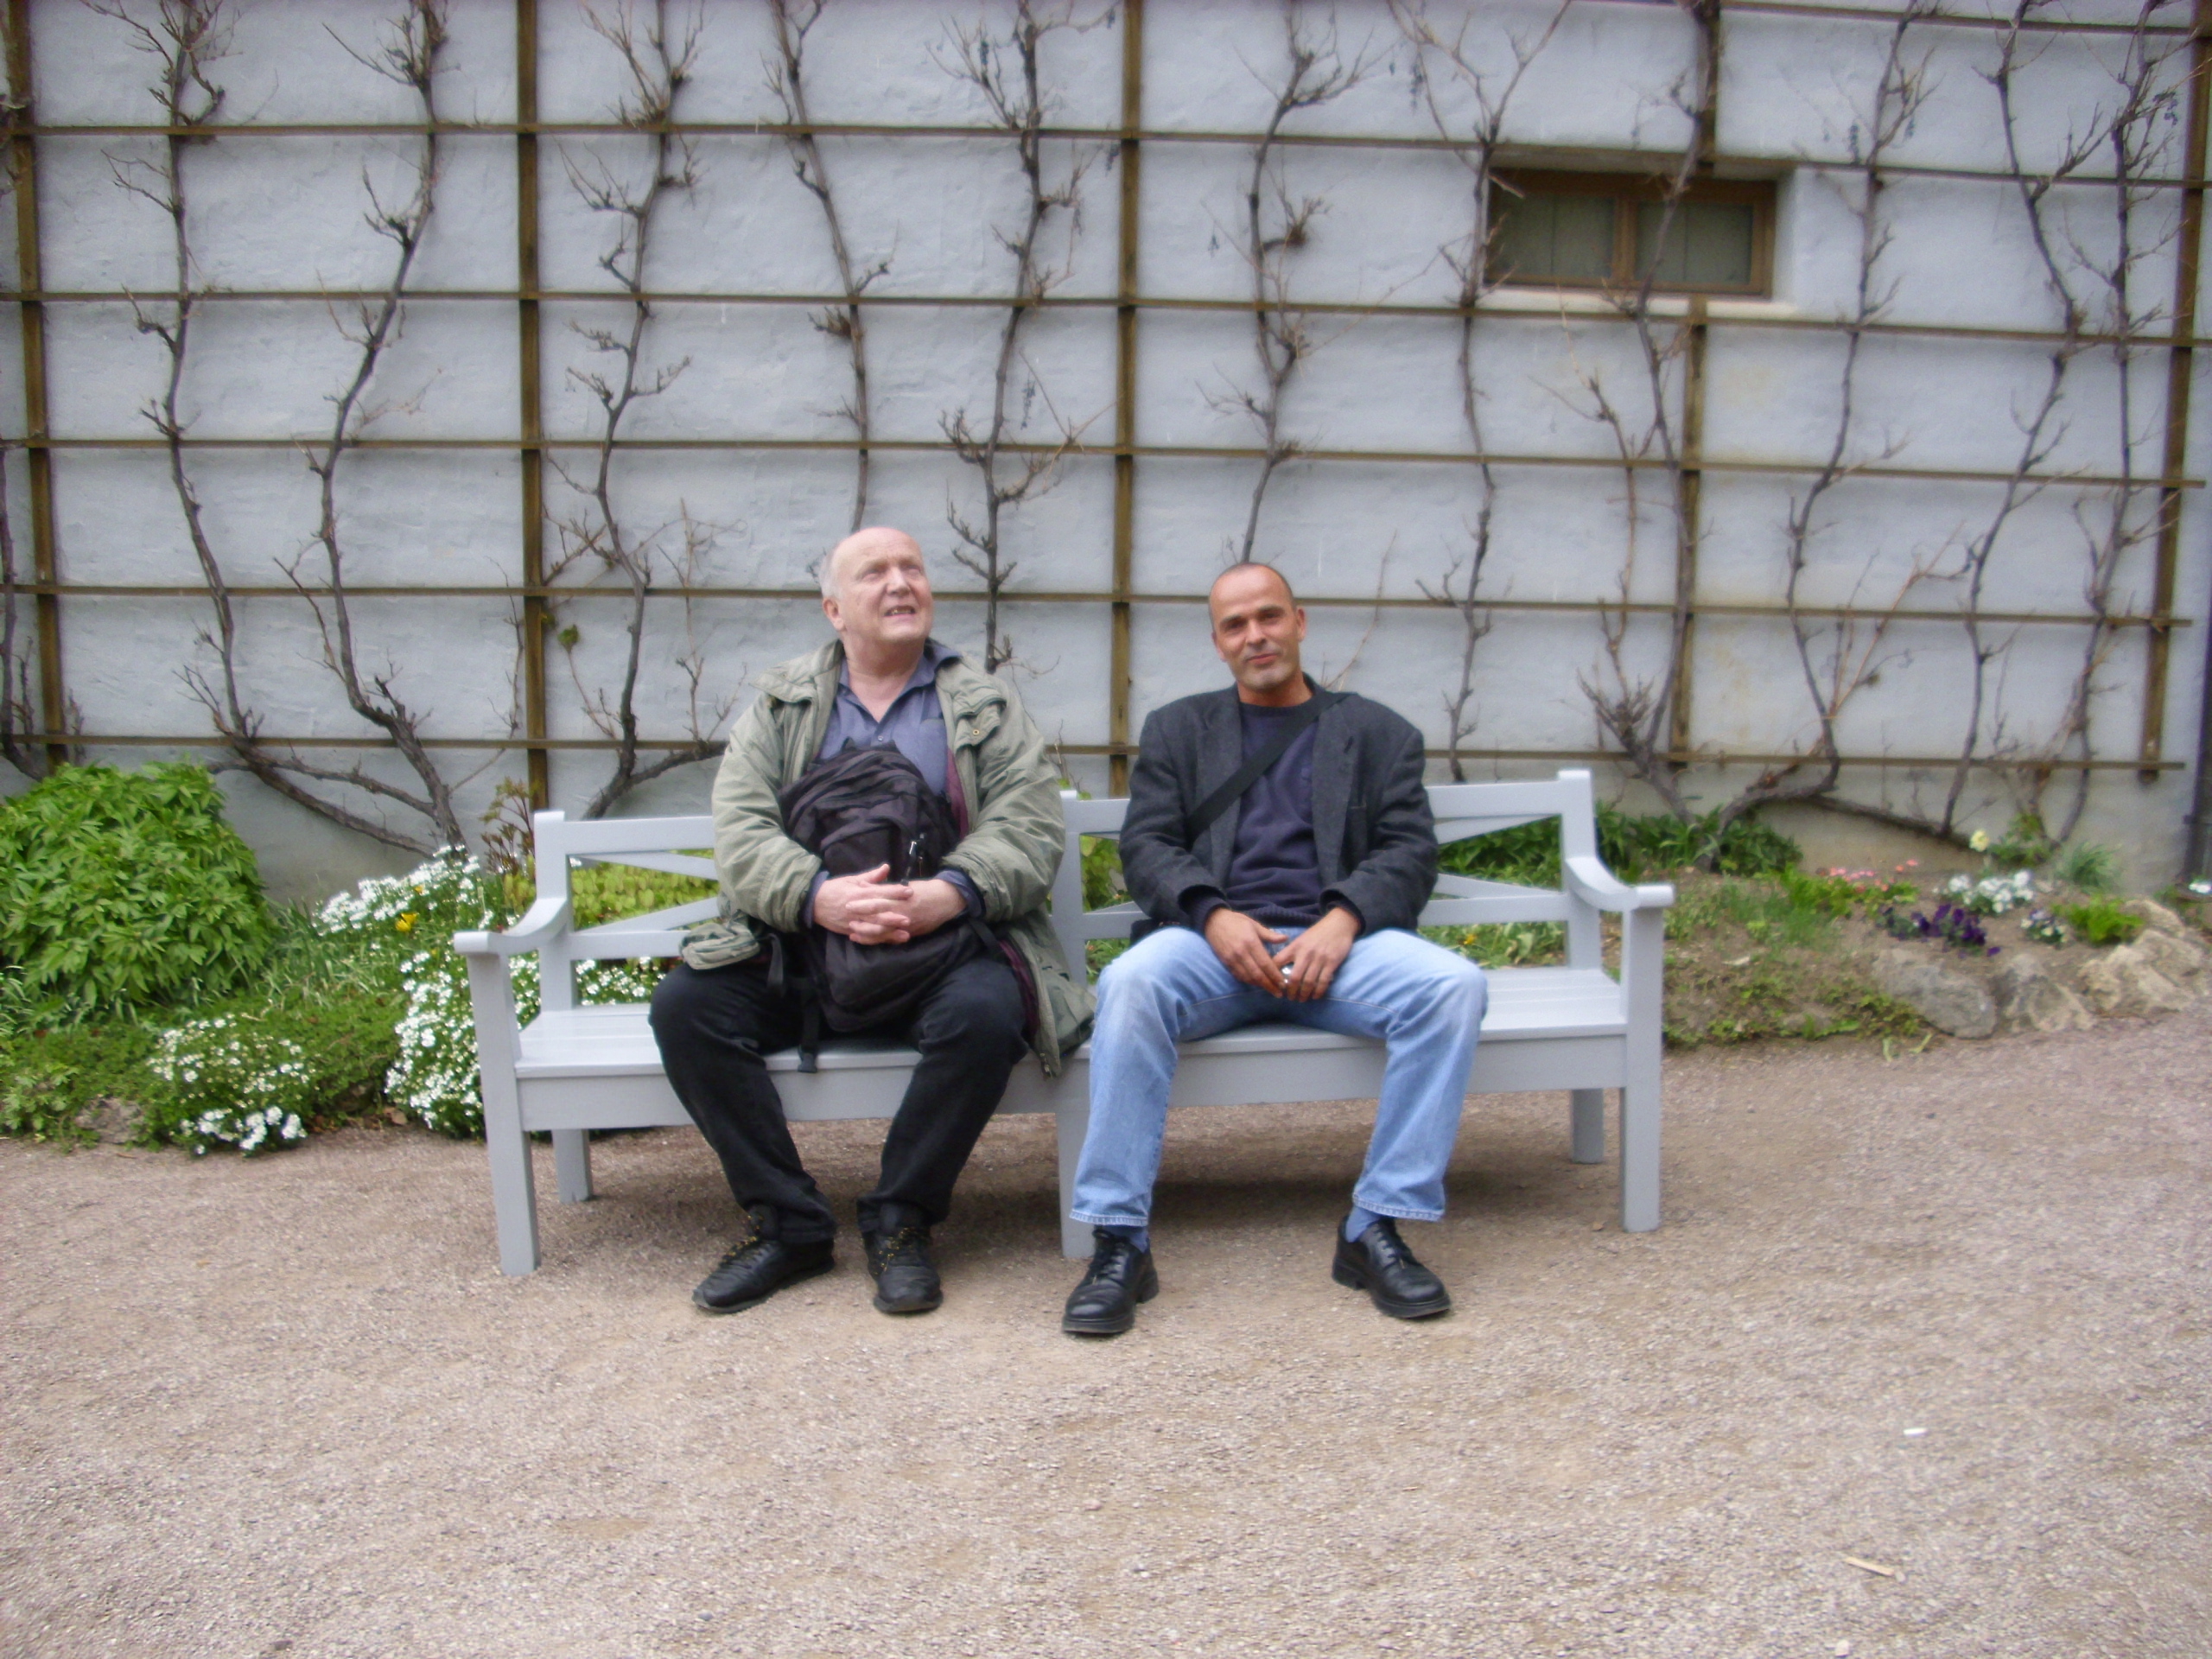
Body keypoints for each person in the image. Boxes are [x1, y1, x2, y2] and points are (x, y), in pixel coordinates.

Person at [651, 526, 1092, 1318]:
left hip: (943, 944)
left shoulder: (983, 705)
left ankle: (901, 1220)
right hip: (803, 946)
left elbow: (1030, 828)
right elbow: (741, 831)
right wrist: (819, 896)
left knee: (989, 1015)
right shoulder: (783, 705)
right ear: (833, 608)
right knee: (689, 1008)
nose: (900, 584)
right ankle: (789, 1226)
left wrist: (950, 893)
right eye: (875, 573)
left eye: (911, 569)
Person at [1059, 562, 1487, 1335]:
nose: (1255, 635)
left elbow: (1409, 852)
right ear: (1218, 643)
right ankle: (1119, 1240)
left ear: (1299, 620)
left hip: (1336, 951)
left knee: (1451, 986)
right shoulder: (1179, 730)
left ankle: (1376, 1227)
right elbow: (1148, 845)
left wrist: (1346, 916)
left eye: (1268, 616)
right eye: (1235, 624)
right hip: (1213, 949)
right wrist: (1210, 912)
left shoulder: (1379, 733)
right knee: (1130, 983)